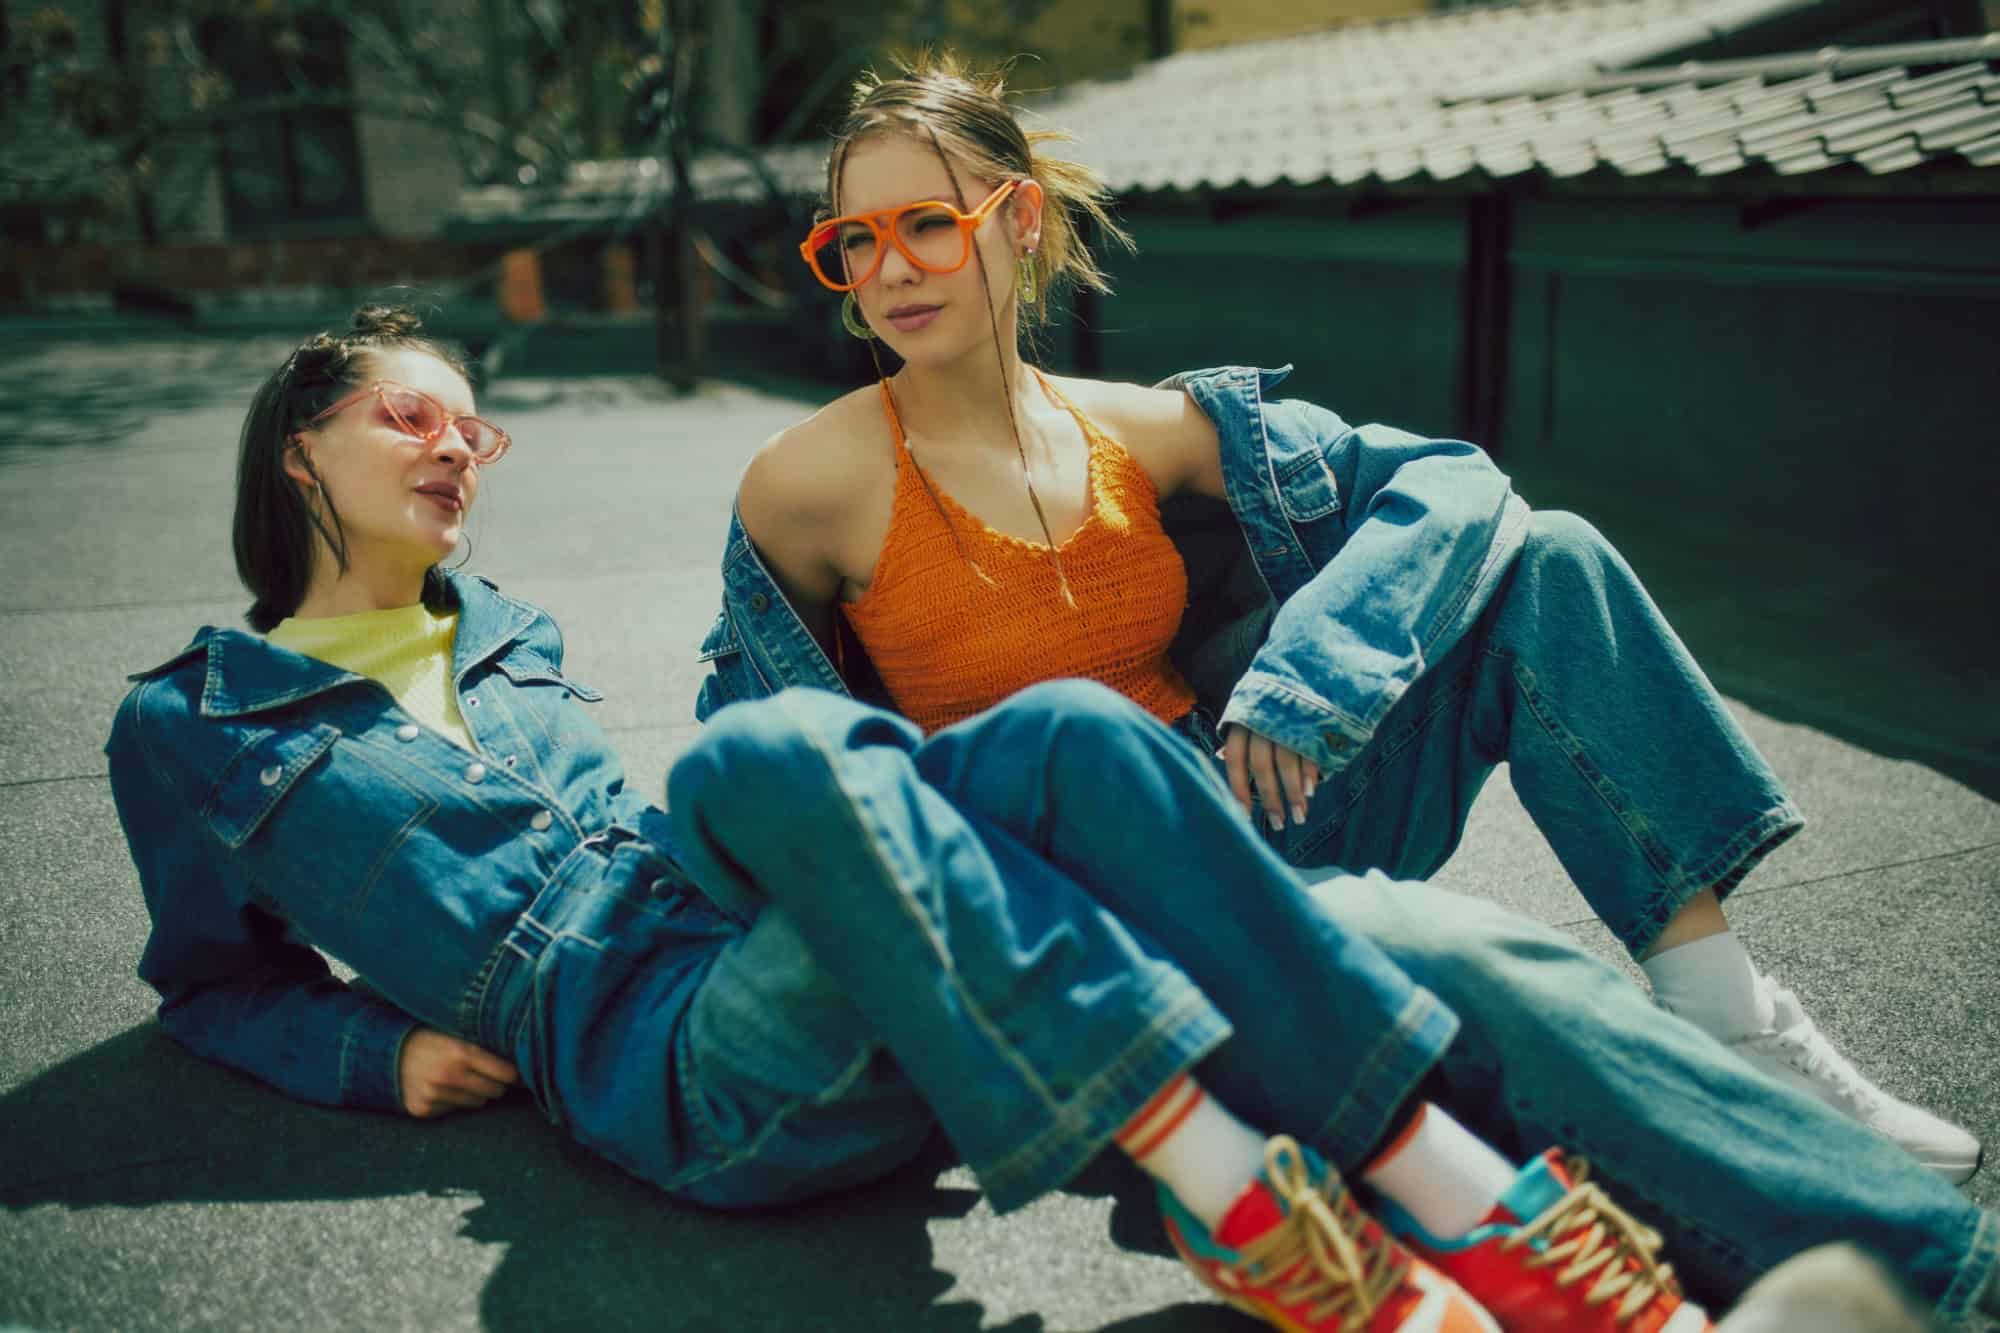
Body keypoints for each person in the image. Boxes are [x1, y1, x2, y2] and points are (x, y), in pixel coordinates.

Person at [106, 309, 2000, 1333]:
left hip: (753, 933)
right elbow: (204, 979)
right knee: (758, 763)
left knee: (1061, 728)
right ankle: (1262, 1178)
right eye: (412, 421)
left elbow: (1444, 497)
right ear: (302, 450)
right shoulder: (193, 720)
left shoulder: (503, 636)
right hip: (648, 1050)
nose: (458, 449)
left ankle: (1448, 1226)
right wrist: (378, 1047)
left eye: (471, 427)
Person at [717, 52, 1980, 1184]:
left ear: (1020, 220)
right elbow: (766, 769)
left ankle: (1724, 1013)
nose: (888, 271)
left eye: (927, 226)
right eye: (854, 243)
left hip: (1259, 816)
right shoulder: (806, 484)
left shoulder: (1140, 428)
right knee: (1487, 1031)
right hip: (1072, 913)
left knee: (1550, 553)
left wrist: (1306, 680)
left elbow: (1453, 480)